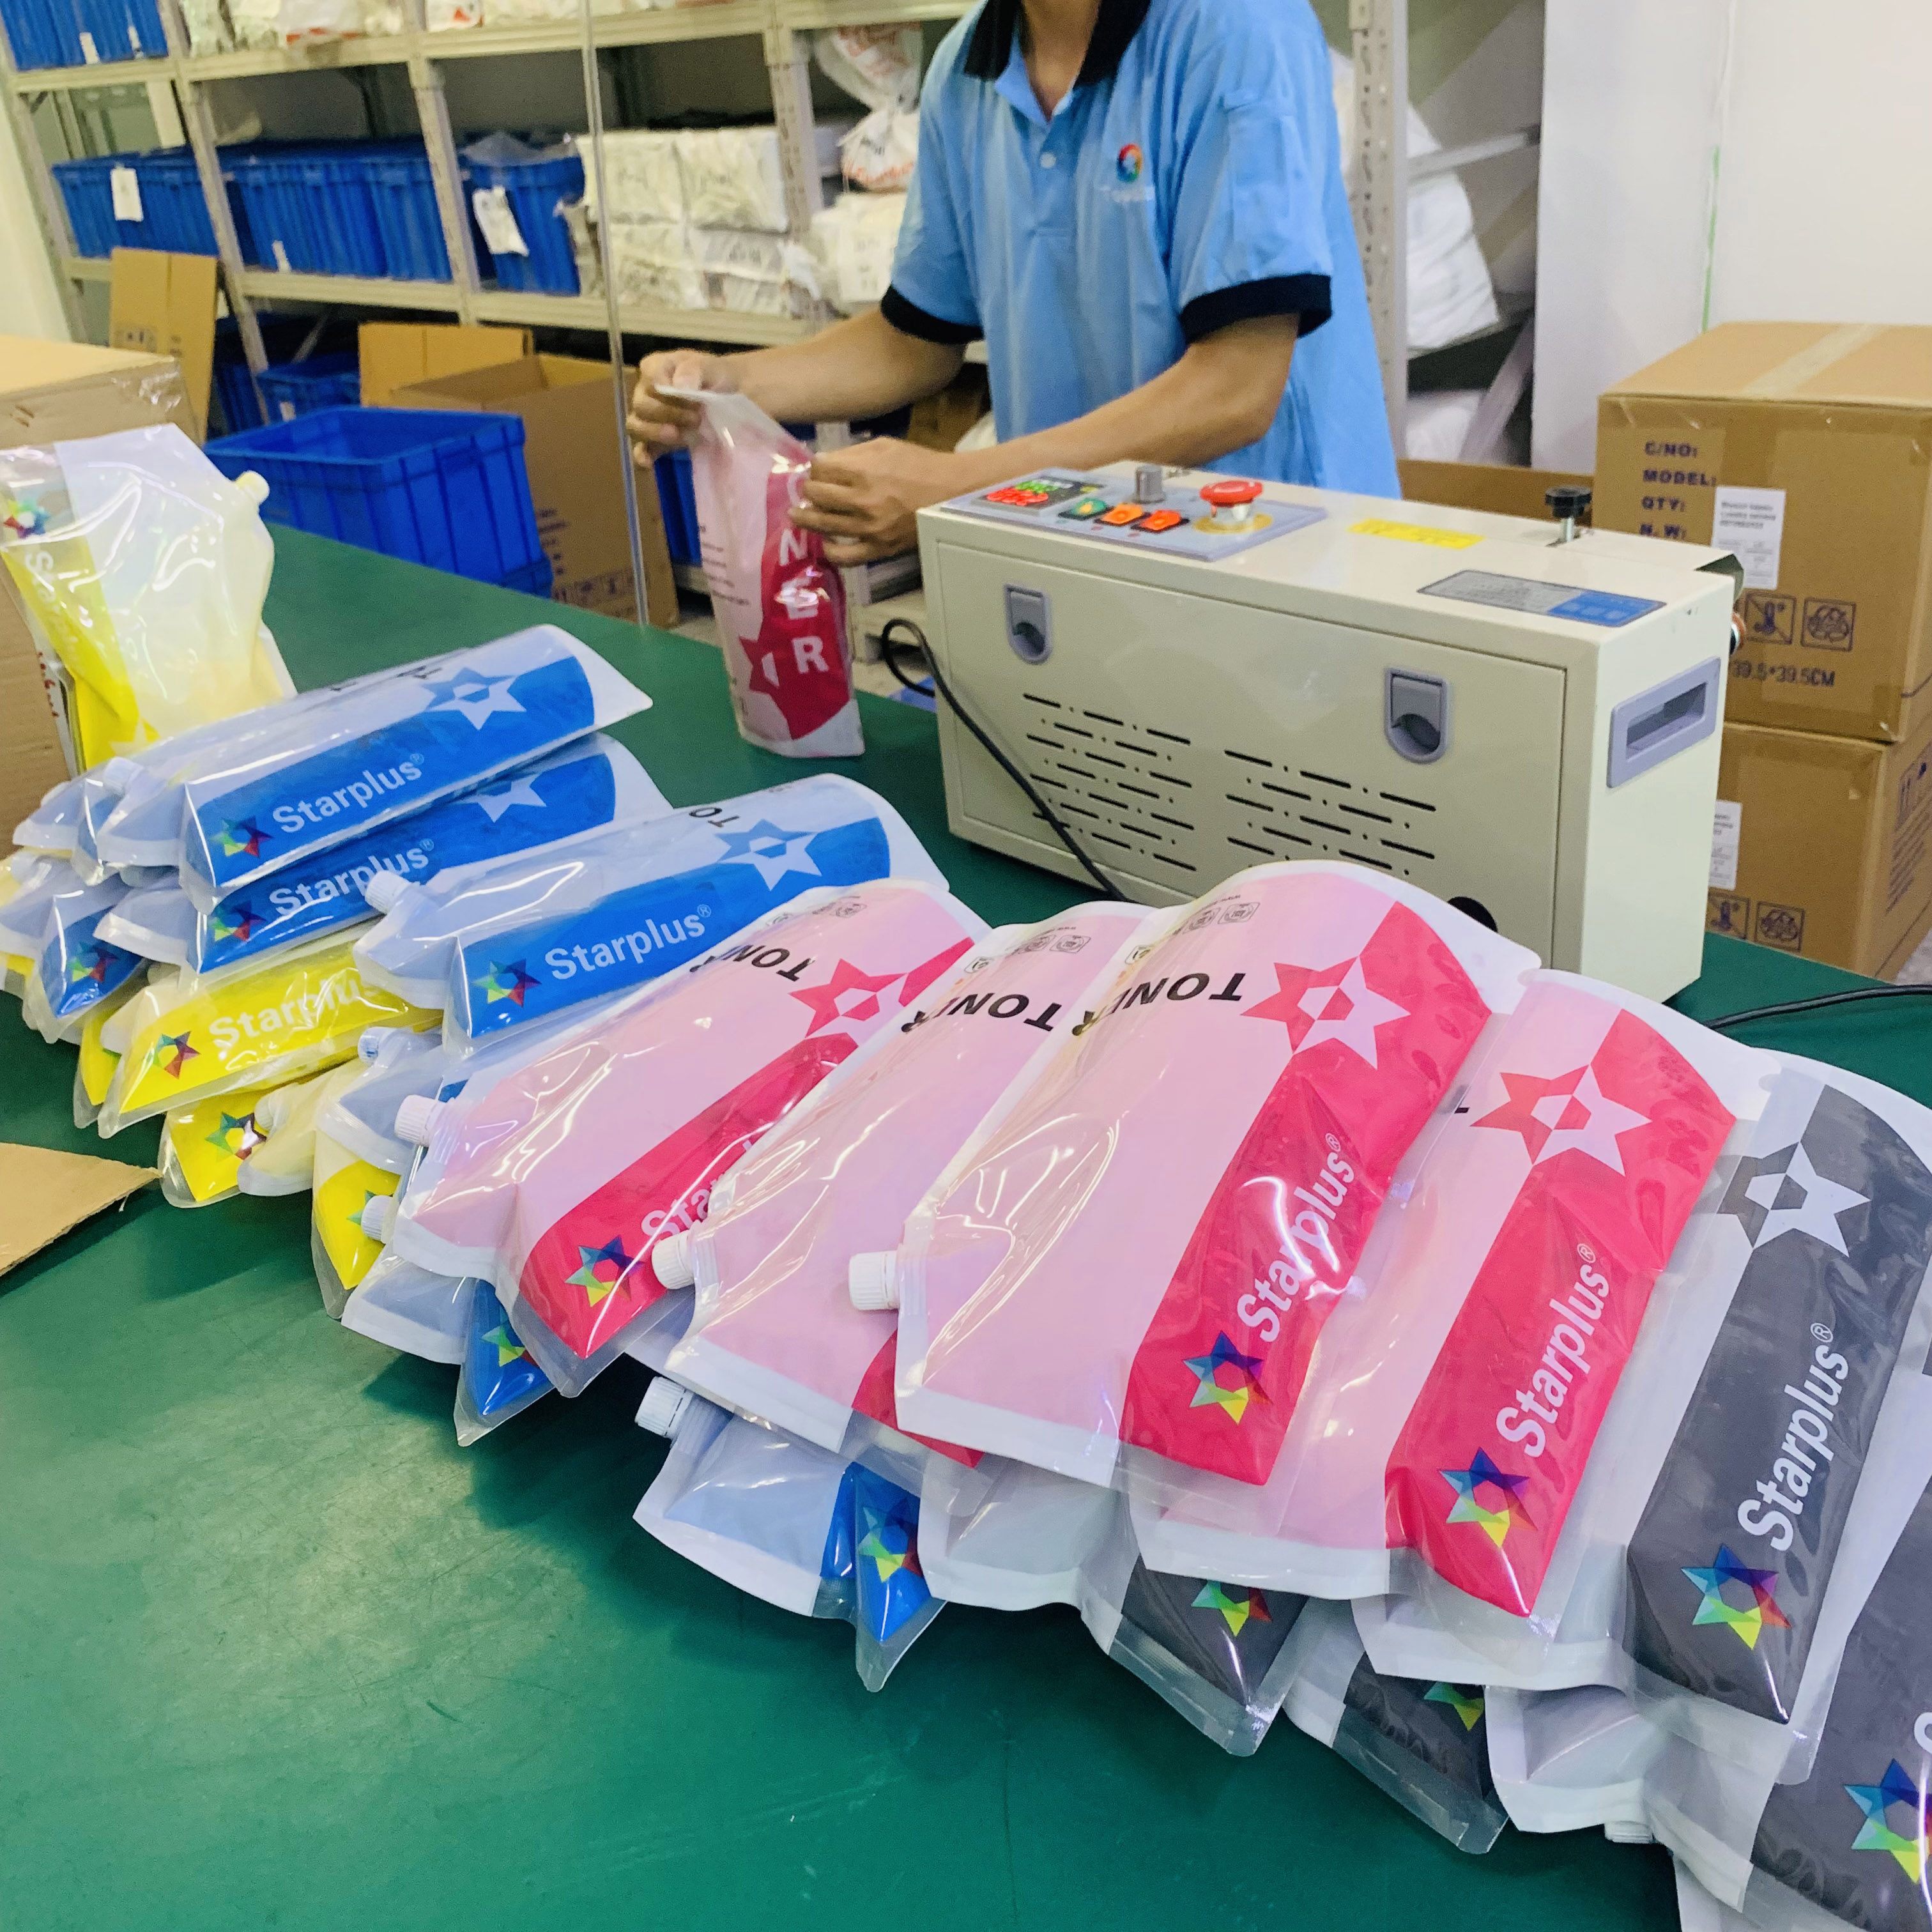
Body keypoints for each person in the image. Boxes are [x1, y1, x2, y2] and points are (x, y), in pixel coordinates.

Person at [628, 0, 1397, 564]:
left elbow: (1236, 389)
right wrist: (729, 384)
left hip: (1276, 548)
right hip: (1083, 539)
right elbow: (914, 340)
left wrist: (962, 485)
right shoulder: (967, 67)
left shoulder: (1237, 29)